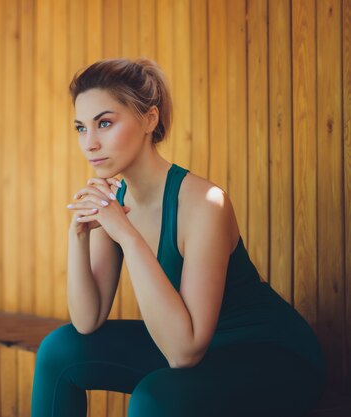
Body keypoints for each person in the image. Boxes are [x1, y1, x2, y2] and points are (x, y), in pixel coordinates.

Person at [30, 57, 326, 417]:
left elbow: (184, 352)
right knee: (59, 351)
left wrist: (127, 235)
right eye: (80, 128)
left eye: (104, 123)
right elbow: (87, 320)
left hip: (271, 358)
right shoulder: (114, 202)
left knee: (156, 398)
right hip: (190, 346)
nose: (89, 143)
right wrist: (77, 235)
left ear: (149, 119)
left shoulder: (205, 204)